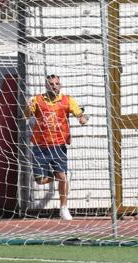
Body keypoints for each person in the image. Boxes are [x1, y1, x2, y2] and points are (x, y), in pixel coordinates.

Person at [27, 74, 88, 221]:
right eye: (51, 84)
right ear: (46, 86)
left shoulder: (67, 100)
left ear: (60, 85)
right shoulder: (37, 100)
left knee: (62, 177)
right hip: (40, 145)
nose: (54, 86)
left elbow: (79, 114)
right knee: (40, 180)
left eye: (56, 84)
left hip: (58, 145)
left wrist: (82, 119)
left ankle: (64, 208)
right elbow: (26, 115)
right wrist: (27, 107)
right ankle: (57, 176)